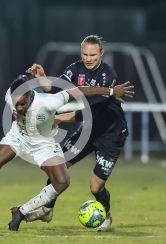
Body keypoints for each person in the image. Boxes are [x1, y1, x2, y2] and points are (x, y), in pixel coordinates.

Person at [0, 75, 134, 231]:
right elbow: (20, 84)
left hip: (43, 143)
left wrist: (109, 91)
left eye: (23, 104)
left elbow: (80, 90)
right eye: (16, 105)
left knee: (62, 182)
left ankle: (22, 211)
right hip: (18, 137)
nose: (19, 108)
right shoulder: (12, 97)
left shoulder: (49, 101)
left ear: (31, 96)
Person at [24, 35, 130, 231]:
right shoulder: (75, 68)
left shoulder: (108, 76)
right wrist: (42, 78)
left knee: (95, 187)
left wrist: (58, 118)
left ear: (101, 54)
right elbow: (56, 90)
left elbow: (88, 112)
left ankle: (106, 214)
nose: (88, 58)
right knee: (58, 166)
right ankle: (47, 210)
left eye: (93, 55)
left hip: (111, 135)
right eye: (85, 54)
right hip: (90, 131)